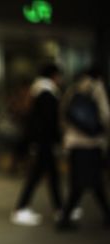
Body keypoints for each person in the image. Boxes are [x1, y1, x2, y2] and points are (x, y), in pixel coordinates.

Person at [57, 68, 110, 230]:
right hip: (92, 143)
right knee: (93, 182)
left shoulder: (72, 88)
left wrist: (69, 134)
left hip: (74, 143)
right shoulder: (97, 88)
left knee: (80, 182)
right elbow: (105, 115)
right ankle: (65, 218)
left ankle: (66, 217)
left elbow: (62, 115)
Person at [10, 63, 63, 226]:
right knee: (39, 175)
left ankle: (60, 209)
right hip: (44, 142)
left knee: (46, 175)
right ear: (54, 76)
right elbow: (49, 122)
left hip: (39, 141)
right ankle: (22, 208)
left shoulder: (37, 91)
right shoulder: (47, 94)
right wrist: (58, 139)